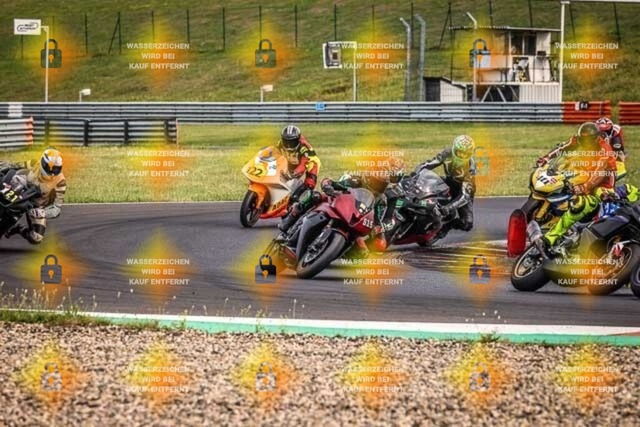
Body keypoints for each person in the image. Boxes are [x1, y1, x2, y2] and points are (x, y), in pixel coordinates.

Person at [536, 123, 617, 249]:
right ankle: (560, 210)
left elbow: (599, 172)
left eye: (589, 140)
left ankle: (597, 229)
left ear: (596, 138)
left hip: (605, 178)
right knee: (567, 179)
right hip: (586, 168)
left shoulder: (604, 149)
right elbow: (563, 148)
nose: (585, 142)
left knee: (604, 199)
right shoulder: (577, 139)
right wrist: (547, 158)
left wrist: (585, 186)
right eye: (583, 139)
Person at [414, 135, 477, 234]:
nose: (461, 156)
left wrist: (448, 208)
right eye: (459, 152)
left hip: (463, 190)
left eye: (465, 154)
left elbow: (465, 196)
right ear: (454, 149)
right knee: (426, 185)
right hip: (448, 182)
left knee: (467, 223)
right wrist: (414, 174)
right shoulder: (447, 153)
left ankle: (448, 226)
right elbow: (428, 164)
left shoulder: (471, 168)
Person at [4, 147, 66, 244]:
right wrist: (3, 166)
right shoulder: (34, 163)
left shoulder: (61, 182)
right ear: (43, 163)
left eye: (56, 168)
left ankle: (18, 228)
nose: (52, 172)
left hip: (36, 206)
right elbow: (14, 166)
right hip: (21, 191)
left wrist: (43, 213)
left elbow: (57, 209)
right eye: (50, 167)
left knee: (36, 238)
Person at [278, 124, 321, 203]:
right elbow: (275, 153)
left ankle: (304, 200)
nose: (288, 145)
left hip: (309, 163)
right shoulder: (280, 144)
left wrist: (293, 173)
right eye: (286, 141)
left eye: (292, 142)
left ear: (298, 140)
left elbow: (302, 166)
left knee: (309, 184)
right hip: (292, 160)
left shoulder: (304, 148)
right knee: (283, 179)